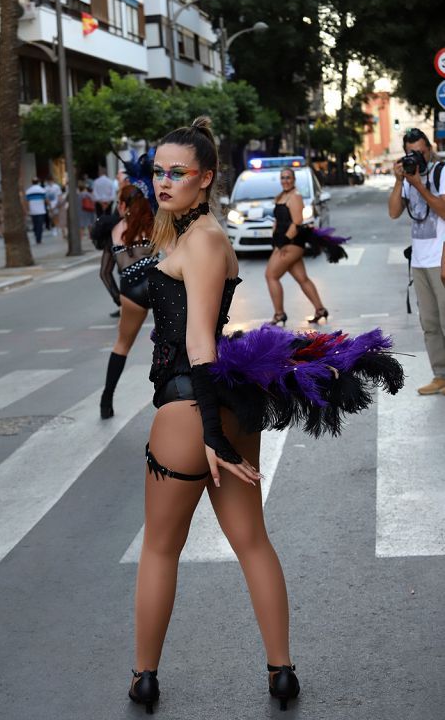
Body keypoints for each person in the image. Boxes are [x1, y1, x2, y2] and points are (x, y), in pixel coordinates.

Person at [128, 117, 300, 714]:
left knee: (159, 549)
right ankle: (282, 672)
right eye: (158, 171)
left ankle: (144, 677)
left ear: (205, 179)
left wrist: (209, 436)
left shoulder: (199, 241)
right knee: (252, 542)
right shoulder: (194, 234)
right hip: (224, 404)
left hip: (188, 409)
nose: (164, 181)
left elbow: (200, 341)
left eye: (178, 173)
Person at [388, 128, 445, 395]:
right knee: (430, 324)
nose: (417, 156)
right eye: (412, 152)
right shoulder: (409, 176)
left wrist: (419, 184)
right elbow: (393, 212)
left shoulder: (440, 172)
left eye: (421, 151)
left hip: (440, 259)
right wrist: (400, 181)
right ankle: (440, 375)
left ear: (429, 149)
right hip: (420, 261)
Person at [99, 183, 157, 418]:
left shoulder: (114, 230)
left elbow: (104, 272)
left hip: (130, 290)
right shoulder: (154, 224)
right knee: (170, 344)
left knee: (122, 346)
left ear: (123, 205)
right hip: (157, 285)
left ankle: (106, 401)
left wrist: (118, 298)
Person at [265, 168, 328, 325]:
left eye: (288, 177)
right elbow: (278, 221)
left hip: (290, 244)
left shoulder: (295, 197)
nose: (285, 180)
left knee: (271, 276)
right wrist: (274, 238)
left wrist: (283, 241)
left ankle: (279, 314)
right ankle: (320, 310)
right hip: (283, 243)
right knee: (302, 278)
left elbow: (297, 221)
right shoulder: (282, 196)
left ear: (293, 179)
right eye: (282, 178)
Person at [24, 177, 48, 244]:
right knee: (40, 225)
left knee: (35, 224)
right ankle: (39, 239)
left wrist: (26, 209)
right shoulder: (42, 190)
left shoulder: (28, 191)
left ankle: (36, 236)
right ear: (38, 182)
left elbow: (26, 202)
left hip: (33, 210)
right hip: (41, 210)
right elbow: (45, 199)